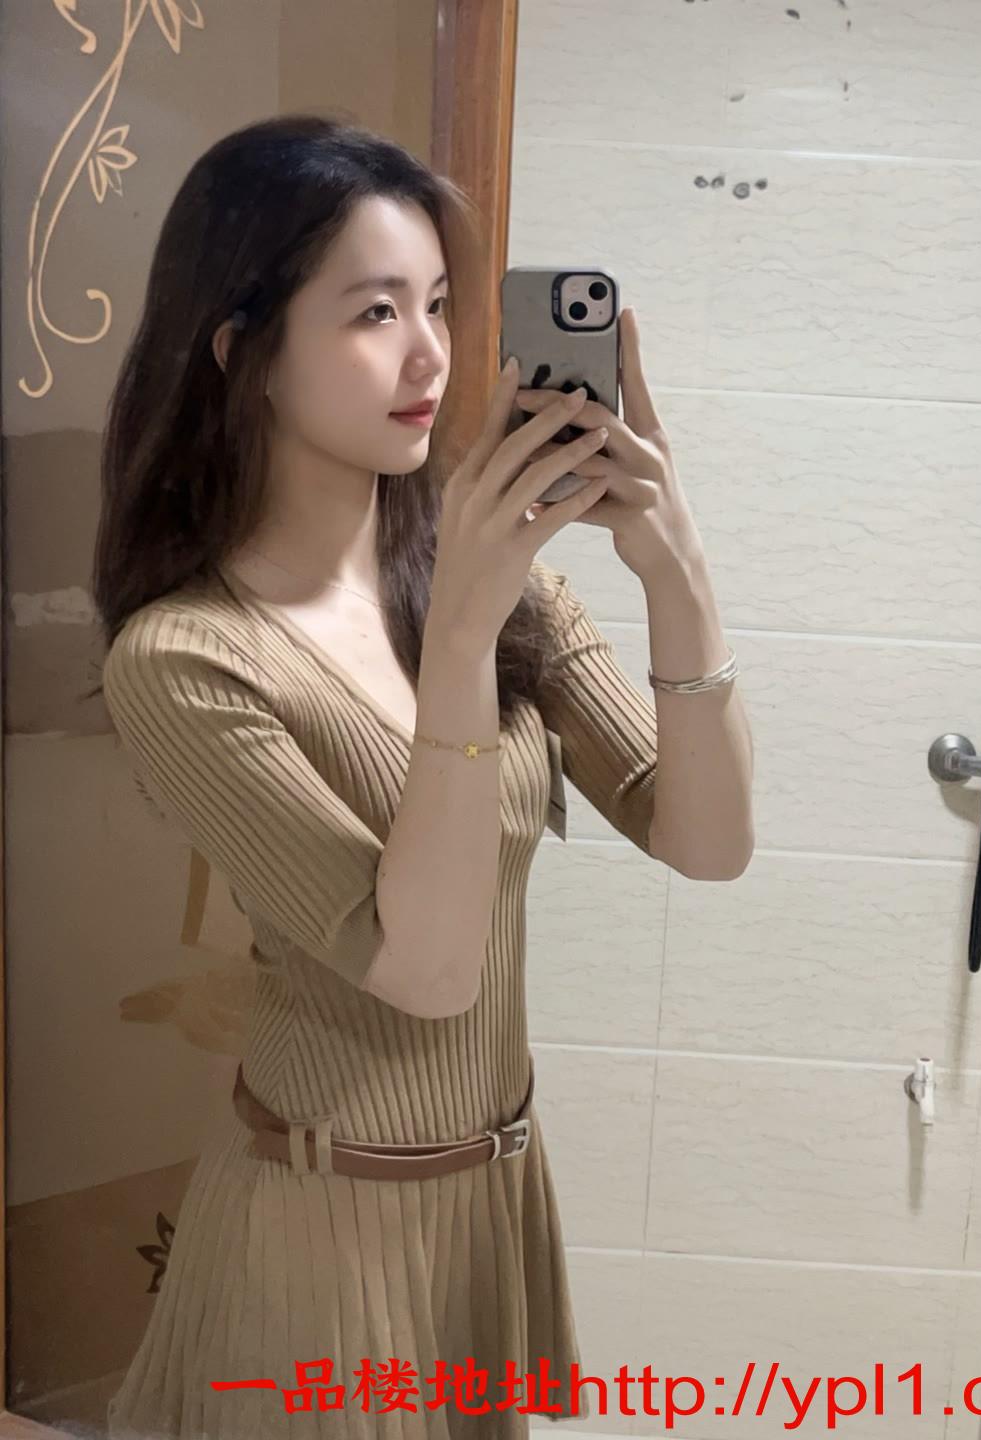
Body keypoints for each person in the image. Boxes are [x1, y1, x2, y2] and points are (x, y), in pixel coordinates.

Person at [92, 112, 661, 1439]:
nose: (431, 354)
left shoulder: (480, 586)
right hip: (317, 1226)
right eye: (374, 312)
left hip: (488, 1197)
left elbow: (708, 835)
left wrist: (671, 562)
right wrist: (460, 634)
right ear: (245, 353)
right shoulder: (187, 658)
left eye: (440, 305)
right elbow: (430, 970)